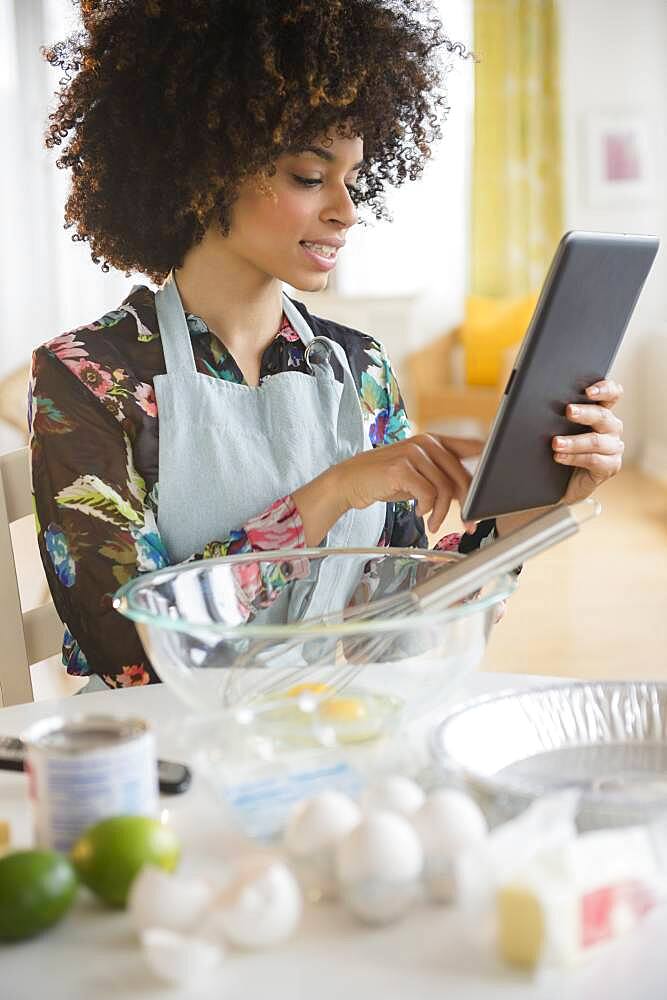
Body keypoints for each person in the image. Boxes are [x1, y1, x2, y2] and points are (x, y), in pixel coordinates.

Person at [29, 1, 624, 690]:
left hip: (326, 729)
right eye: (310, 177)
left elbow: (396, 626)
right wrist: (333, 492)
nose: (346, 209)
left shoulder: (358, 367)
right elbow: (131, 652)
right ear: (204, 170)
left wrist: (528, 514)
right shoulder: (87, 376)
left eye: (352, 179)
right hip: (172, 759)